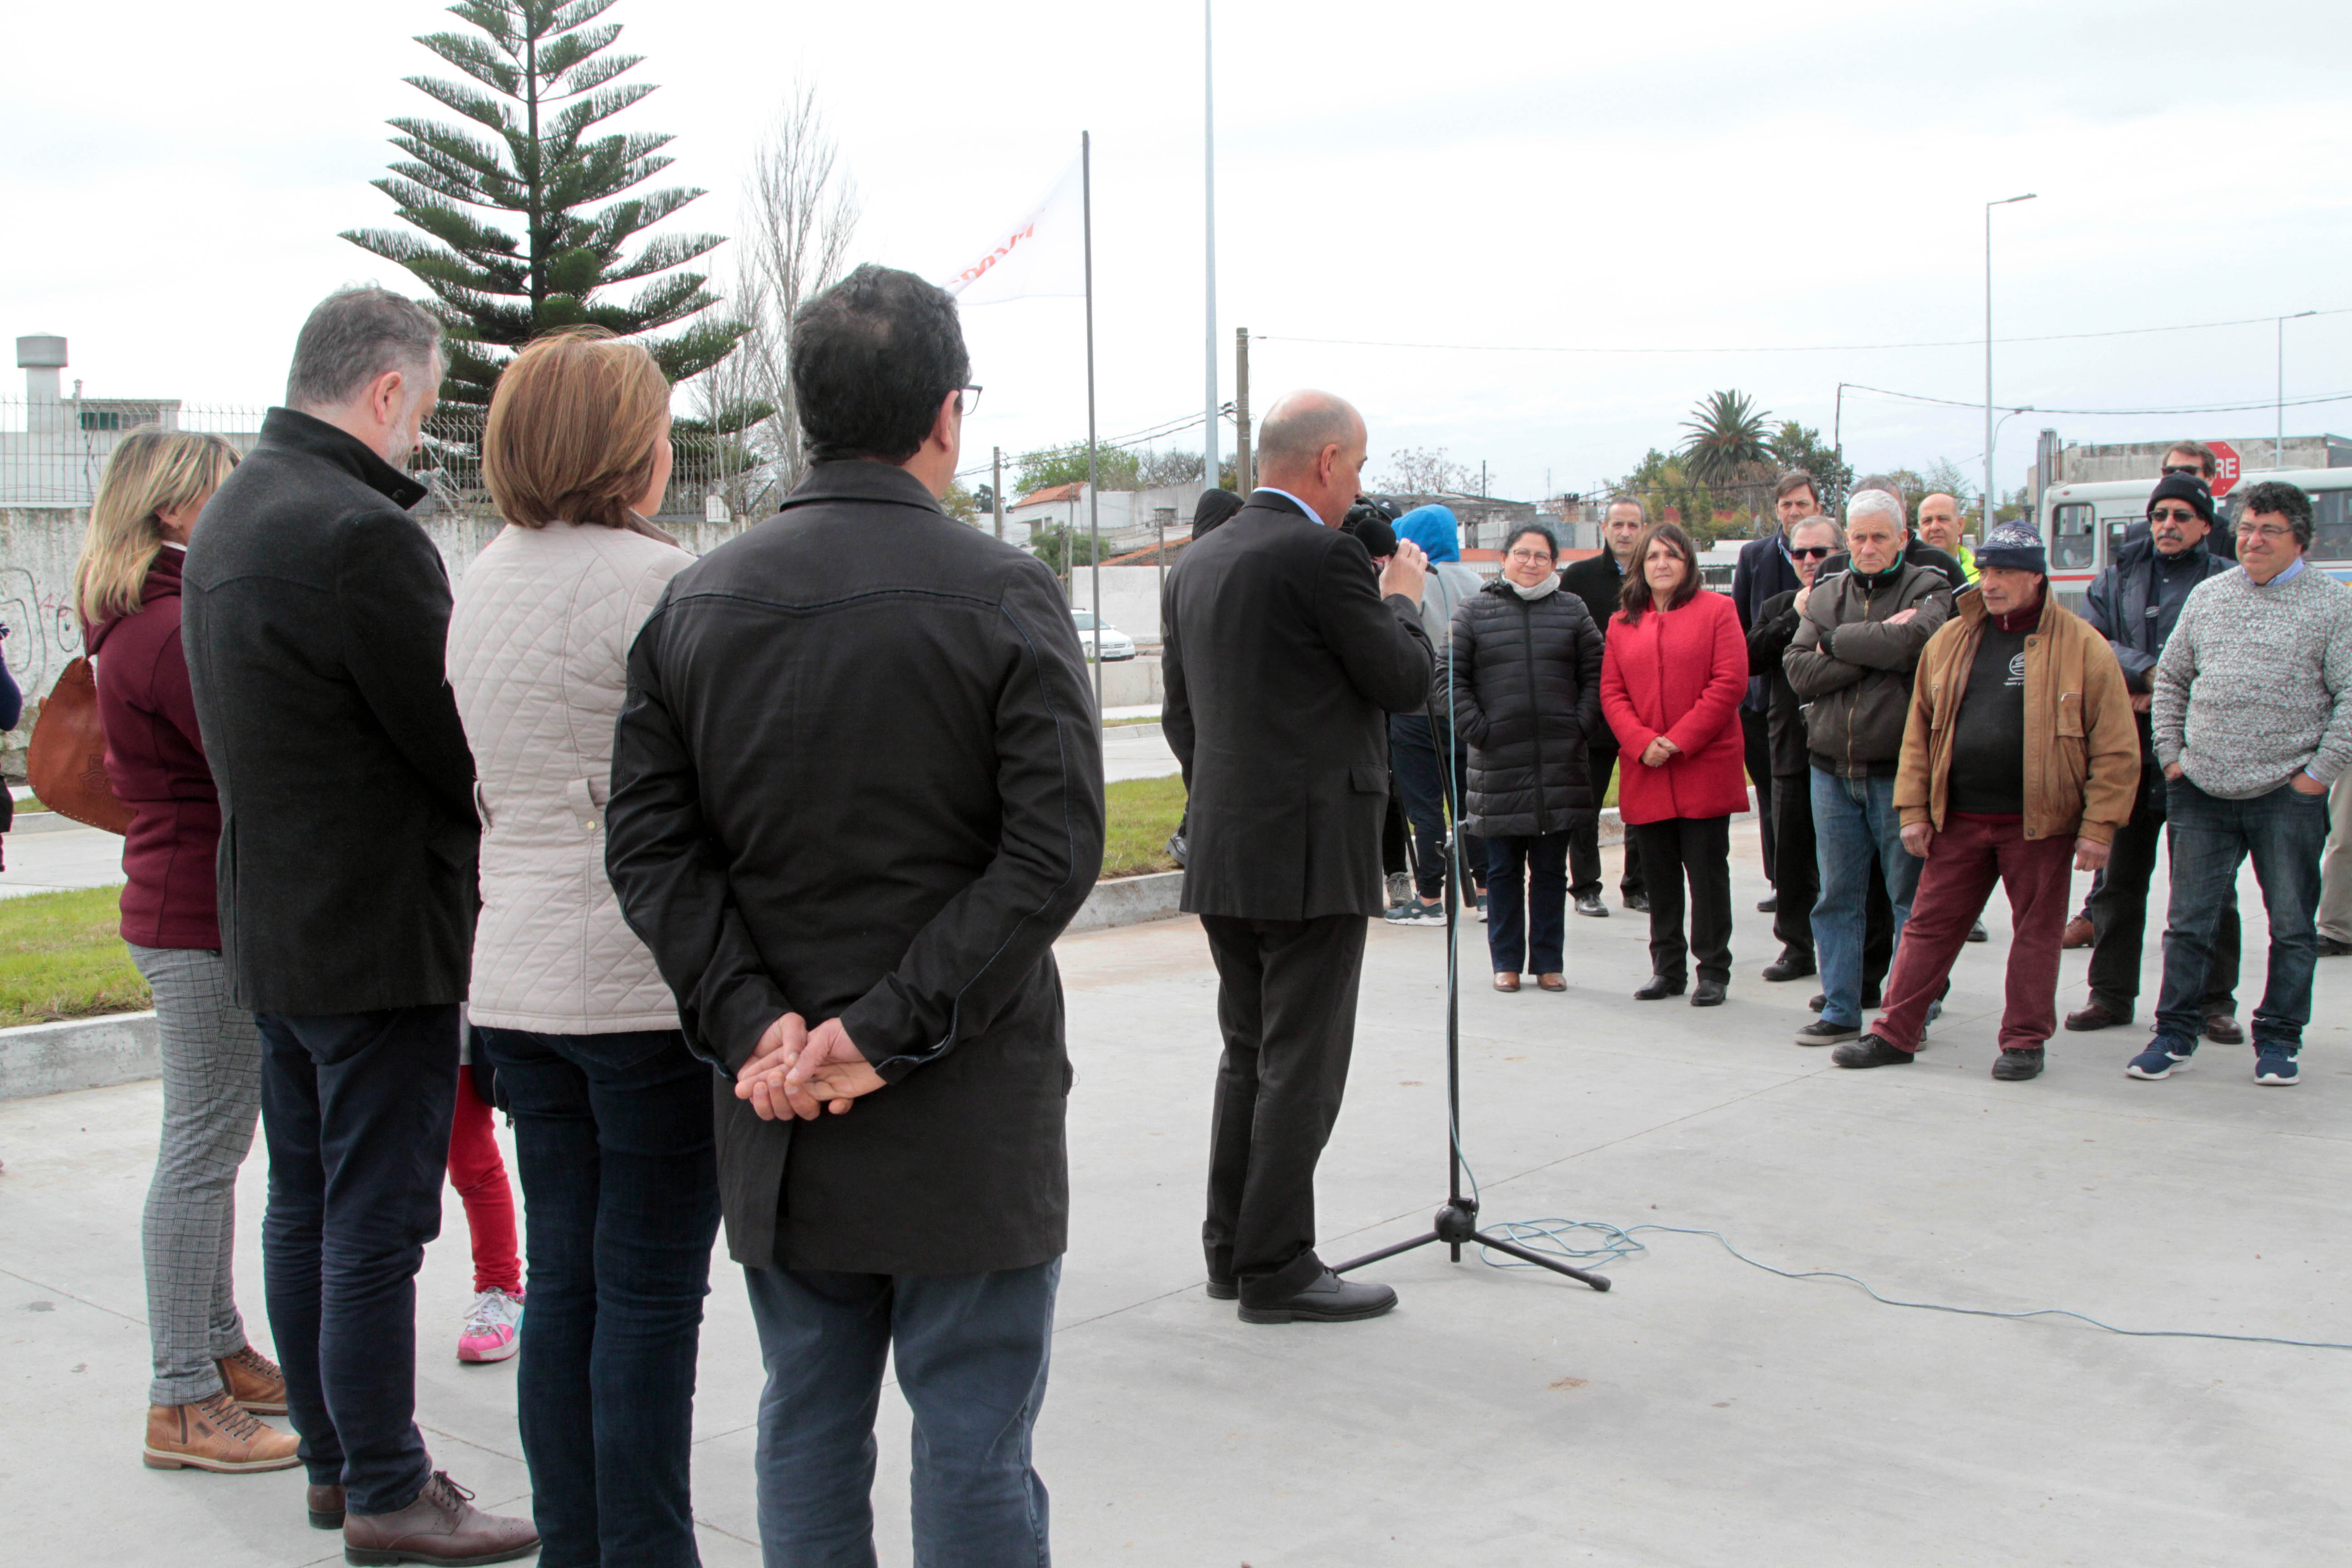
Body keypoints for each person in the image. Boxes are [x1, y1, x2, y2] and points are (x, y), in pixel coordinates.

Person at [606, 265, 1102, 1563]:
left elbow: (651, 848)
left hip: (782, 1102)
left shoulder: (696, 602)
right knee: (976, 1437)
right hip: (961, 1099)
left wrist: (755, 1021)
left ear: (806, 414)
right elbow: (1052, 854)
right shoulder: (1003, 593)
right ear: (947, 414)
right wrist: (879, 1030)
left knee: (809, 1422)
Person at [180, 286, 536, 1563]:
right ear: (387, 391)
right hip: (378, 938)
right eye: (423, 410)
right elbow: (451, 743)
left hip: (273, 929)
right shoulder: (357, 535)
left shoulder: (228, 513)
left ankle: (338, 1463)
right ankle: (389, 1484)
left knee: (308, 1209)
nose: (416, 438)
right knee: (377, 1228)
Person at [446, 328, 722, 1567]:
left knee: (564, 1284)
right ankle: (648, 1550)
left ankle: (577, 1543)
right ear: (628, 448)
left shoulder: (479, 577)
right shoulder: (665, 587)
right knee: (652, 1296)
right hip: (644, 980)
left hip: (515, 978)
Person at [1161, 387, 1433, 1324]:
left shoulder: (1195, 564)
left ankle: (1232, 1249)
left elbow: (1181, 719)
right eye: (1355, 467)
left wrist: (1232, 802)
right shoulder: (1325, 558)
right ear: (1325, 463)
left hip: (1228, 847)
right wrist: (1402, 601)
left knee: (1250, 1051)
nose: (1356, 484)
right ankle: (1277, 1264)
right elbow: (1401, 680)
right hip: (1312, 851)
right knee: (1302, 1064)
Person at [77, 430, 299, 1477]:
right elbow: (249, 751)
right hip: (195, 915)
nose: (236, 507)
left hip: (188, 906)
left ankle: (213, 1344)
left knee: (212, 1140)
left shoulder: (142, 618)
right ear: (172, 511)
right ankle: (181, 1391)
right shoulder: (168, 629)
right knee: (202, 1151)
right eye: (221, 492)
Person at [1833, 523, 2139, 1077]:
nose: (1991, 583)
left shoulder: (2082, 645)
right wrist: (1914, 810)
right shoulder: (1952, 638)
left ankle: (2024, 1042)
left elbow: (2116, 745)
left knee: (2036, 935)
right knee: (1928, 926)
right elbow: (1919, 735)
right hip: (1959, 821)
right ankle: (1895, 1033)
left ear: (2036, 577)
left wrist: (2100, 827)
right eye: (1986, 571)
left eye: (2005, 573)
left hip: (2039, 825)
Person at [2130, 480, 2352, 1085]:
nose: (2253, 540)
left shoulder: (2332, 606)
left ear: (2300, 539)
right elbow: (2172, 680)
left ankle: (2279, 1040)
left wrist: (2315, 778)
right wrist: (2172, 758)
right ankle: (2174, 1033)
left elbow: (2350, 699)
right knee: (2189, 923)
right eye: (2248, 527)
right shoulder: (2210, 597)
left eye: (2269, 530)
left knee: (2293, 926)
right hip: (2200, 789)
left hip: (2288, 796)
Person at [2065, 474, 2242, 1042]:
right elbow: (2092, 645)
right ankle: (2110, 996)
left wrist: (2162, 694)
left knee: (2211, 891)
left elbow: (2229, 658)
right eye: (2160, 514)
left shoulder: (2228, 582)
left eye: (2182, 517)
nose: (2168, 525)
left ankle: (2213, 1003)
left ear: (2206, 527)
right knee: (2119, 886)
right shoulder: (2117, 579)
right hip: (2129, 756)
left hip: (2200, 756)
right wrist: (2146, 673)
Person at [1782, 489, 1954, 1046]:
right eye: (1859, 536)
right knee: (1838, 896)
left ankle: (1910, 1011)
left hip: (1897, 773)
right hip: (1830, 771)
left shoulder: (1930, 588)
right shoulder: (1827, 592)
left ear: (1904, 539)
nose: (1868, 547)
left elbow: (1917, 645)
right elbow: (1798, 670)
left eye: (1881, 536)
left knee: (1910, 901)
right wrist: (1869, 650)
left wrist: (1833, 644)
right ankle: (1839, 1006)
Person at [1601, 520, 1749, 1006]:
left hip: (1701, 764)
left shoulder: (1719, 611)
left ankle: (1714, 971)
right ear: (1640, 567)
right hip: (1647, 768)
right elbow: (1612, 691)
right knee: (1659, 877)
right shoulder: (1622, 622)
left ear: (1688, 564)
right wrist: (1642, 742)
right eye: (1653, 557)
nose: (1661, 564)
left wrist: (1679, 740)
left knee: (1707, 876)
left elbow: (1729, 683)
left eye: (1672, 556)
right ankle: (1667, 969)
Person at [1450, 522, 1602, 992]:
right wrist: (1479, 729)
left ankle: (1549, 963)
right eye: (1522, 553)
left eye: (1541, 555)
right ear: (1504, 558)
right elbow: (1449, 678)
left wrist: (1580, 725)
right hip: (1497, 763)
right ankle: (1507, 963)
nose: (1531, 562)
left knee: (1552, 870)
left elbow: (1598, 674)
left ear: (1555, 563)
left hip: (1559, 762)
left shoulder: (1573, 611)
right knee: (1502, 870)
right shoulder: (1475, 610)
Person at [1743, 514, 1843, 984]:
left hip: (1847, 747)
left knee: (1847, 859)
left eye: (1819, 553)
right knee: (1791, 852)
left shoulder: (1859, 602)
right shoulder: (1782, 604)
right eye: (1799, 552)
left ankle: (1857, 952)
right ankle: (1796, 946)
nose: (1808, 561)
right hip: (1790, 746)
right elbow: (1752, 655)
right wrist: (1795, 615)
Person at [1388, 504, 1488, 925]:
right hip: (1466, 709)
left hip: (1416, 710)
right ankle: (1487, 893)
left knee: (1425, 807)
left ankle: (1430, 898)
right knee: (1472, 804)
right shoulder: (1479, 584)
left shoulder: (1410, 583)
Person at [1731, 471, 1823, 913]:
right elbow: (1742, 626)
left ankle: (1815, 884)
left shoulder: (1832, 557)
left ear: (1816, 507)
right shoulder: (1754, 556)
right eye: (1785, 505)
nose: (1792, 512)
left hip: (1818, 702)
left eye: (1800, 504)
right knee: (1773, 799)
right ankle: (1782, 883)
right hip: (1762, 699)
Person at [1562, 497, 1650, 915]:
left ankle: (1638, 885)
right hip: (1594, 708)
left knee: (1641, 803)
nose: (1626, 533)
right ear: (1604, 527)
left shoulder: (1656, 574)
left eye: (1633, 525)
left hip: (1644, 708)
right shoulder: (1580, 577)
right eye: (1618, 524)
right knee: (1587, 803)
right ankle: (1585, 887)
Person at [445, 1040, 524, 1363]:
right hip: (366, 1033)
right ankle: (365, 1300)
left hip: (445, 1023)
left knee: (471, 1163)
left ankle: (501, 1288)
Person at [1915, 493, 1979, 583]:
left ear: (1960, 525)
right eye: (1927, 521)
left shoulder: (1981, 579)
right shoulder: (1905, 577)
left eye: (1943, 519)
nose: (1934, 527)